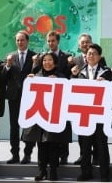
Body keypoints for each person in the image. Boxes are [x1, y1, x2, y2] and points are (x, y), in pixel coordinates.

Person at [22, 53, 72, 181]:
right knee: (41, 145)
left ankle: (53, 171)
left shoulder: (61, 76)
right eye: (44, 60)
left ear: (55, 63)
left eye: (50, 60)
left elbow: (67, 94)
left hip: (54, 116)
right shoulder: (36, 75)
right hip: (40, 116)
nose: (47, 62)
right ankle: (42, 170)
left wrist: (57, 81)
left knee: (53, 144)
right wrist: (29, 80)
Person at [71, 43, 111, 182]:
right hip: (85, 115)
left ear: (99, 57)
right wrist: (73, 76)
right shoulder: (79, 72)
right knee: (85, 145)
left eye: (94, 53)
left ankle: (105, 174)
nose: (91, 56)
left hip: (100, 115)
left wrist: (106, 82)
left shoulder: (106, 72)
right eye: (89, 54)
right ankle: (85, 172)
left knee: (101, 145)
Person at [32, 31, 72, 165]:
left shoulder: (66, 56)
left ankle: (64, 155)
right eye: (48, 41)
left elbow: (69, 77)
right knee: (45, 138)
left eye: (53, 41)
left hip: (60, 99)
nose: (51, 43)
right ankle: (43, 167)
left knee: (60, 130)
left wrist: (59, 79)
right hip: (45, 102)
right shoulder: (42, 56)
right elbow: (36, 73)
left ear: (58, 41)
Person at [68, 33, 103, 165]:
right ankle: (83, 156)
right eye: (82, 42)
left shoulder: (100, 59)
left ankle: (97, 157)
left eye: (87, 42)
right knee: (83, 134)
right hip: (81, 104)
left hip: (96, 104)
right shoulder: (74, 60)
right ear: (79, 45)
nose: (85, 44)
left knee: (97, 134)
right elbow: (70, 80)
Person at [5, 31, 37, 164]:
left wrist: (35, 65)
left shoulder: (35, 56)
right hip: (14, 96)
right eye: (17, 40)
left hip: (30, 97)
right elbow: (3, 78)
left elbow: (39, 74)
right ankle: (15, 154)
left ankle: (27, 154)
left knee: (29, 126)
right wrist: (7, 66)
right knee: (14, 126)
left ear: (27, 41)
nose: (20, 42)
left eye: (22, 40)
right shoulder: (10, 57)